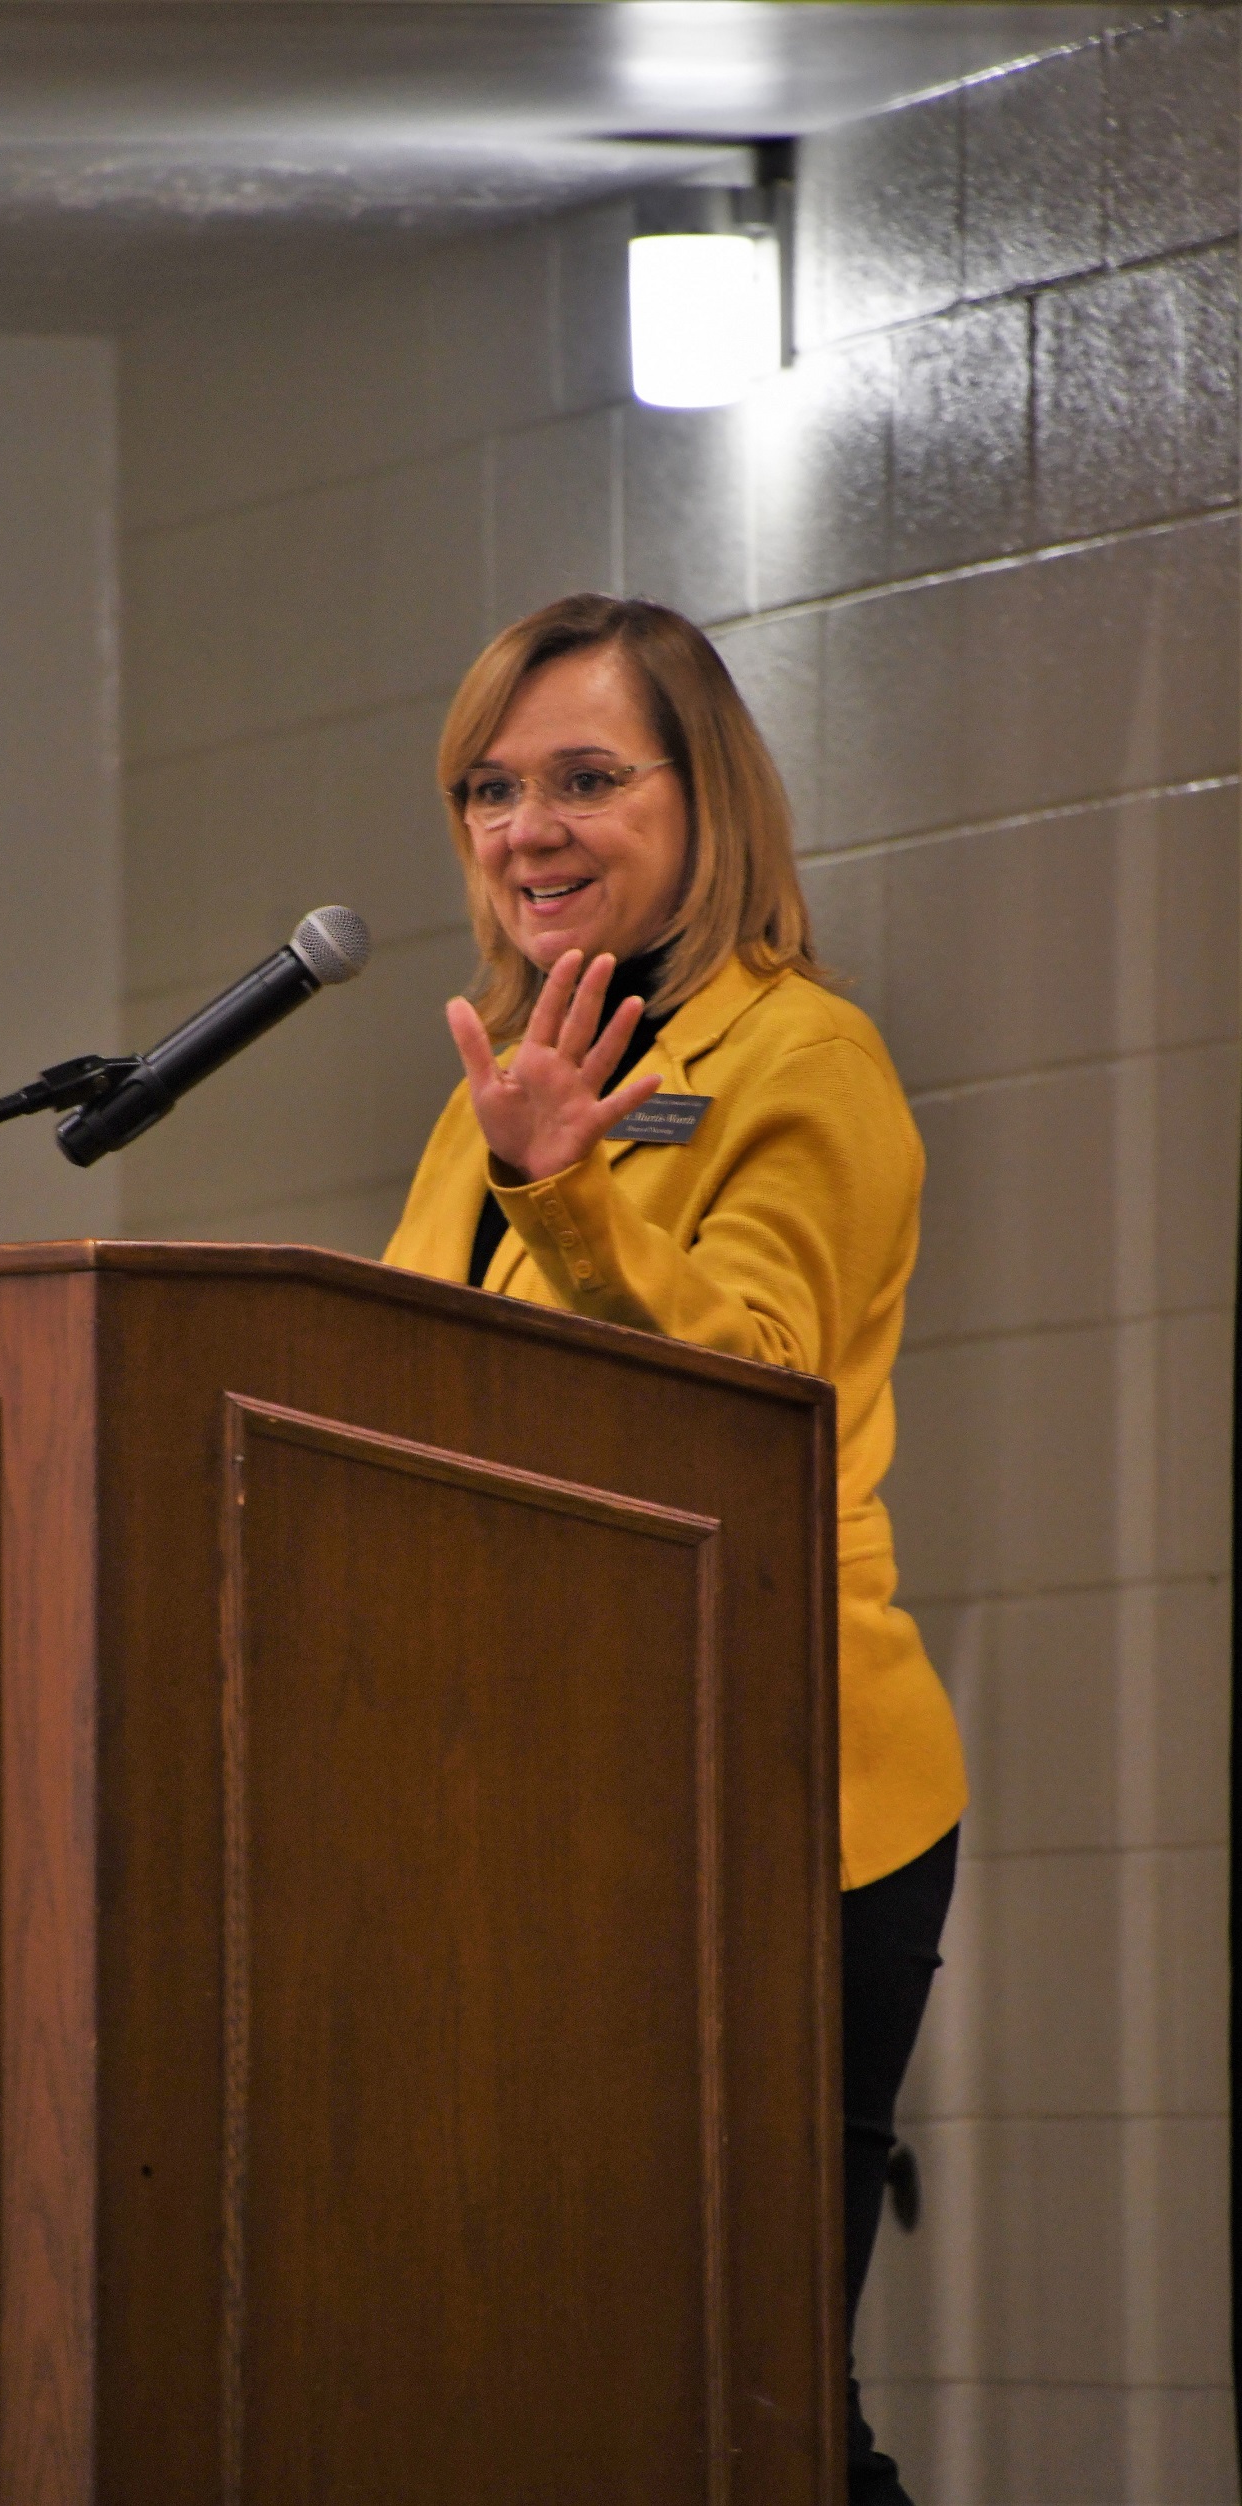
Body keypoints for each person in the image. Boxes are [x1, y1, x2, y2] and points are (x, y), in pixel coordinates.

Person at [383, 593, 968, 2506]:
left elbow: (762, 1393)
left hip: (774, 1796)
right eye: (489, 785)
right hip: (540, 1795)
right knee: (564, 2376)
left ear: (703, 799)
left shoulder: (805, 1059)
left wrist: (567, 1198)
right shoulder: (511, 1087)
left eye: (582, 778)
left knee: (748, 2397)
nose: (525, 827)